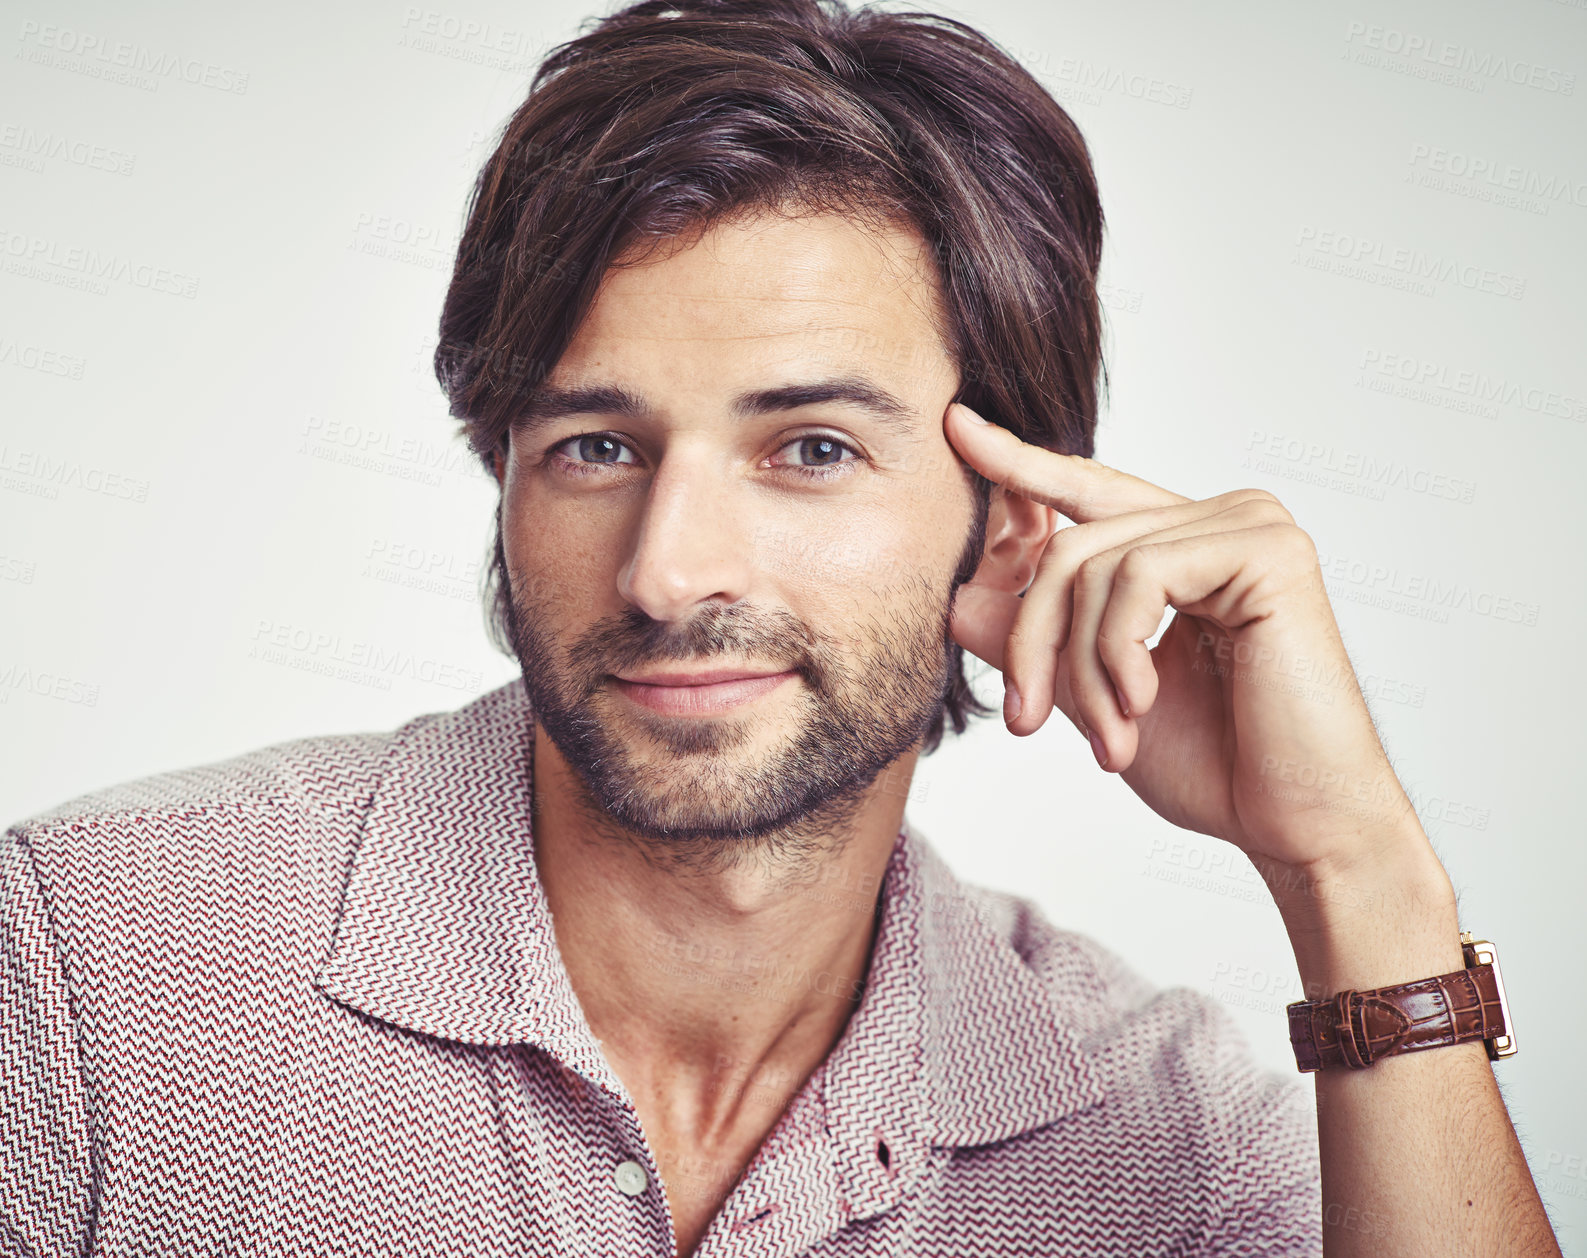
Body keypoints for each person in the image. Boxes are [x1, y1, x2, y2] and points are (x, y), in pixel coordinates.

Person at [1, 1, 1562, 1254]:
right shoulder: (91, 972)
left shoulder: (1173, 1144)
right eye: (596, 447)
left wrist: (1357, 870)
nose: (669, 573)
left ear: (1009, 514)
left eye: (809, 448)